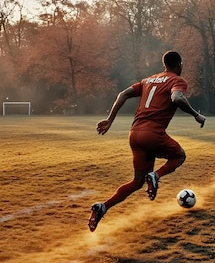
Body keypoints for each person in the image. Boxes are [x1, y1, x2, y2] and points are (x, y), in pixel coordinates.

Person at [88, 51, 206, 232]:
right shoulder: (177, 80)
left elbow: (123, 94)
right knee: (179, 156)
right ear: (179, 64)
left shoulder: (148, 80)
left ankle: (103, 207)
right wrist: (196, 115)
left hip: (134, 134)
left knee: (137, 182)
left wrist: (110, 119)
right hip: (152, 133)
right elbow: (177, 97)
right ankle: (156, 176)